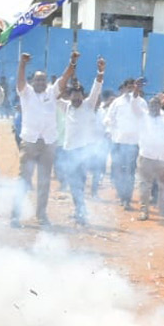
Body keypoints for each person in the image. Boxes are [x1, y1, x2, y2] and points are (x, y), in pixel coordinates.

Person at [11, 50, 77, 228]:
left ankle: (41, 215)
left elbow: (64, 79)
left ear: (46, 82)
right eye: (37, 79)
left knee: (44, 181)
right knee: (24, 179)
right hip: (30, 142)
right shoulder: (26, 93)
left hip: (48, 143)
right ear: (32, 81)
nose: (40, 82)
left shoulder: (52, 92)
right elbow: (20, 81)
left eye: (43, 79)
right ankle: (15, 215)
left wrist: (72, 63)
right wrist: (23, 64)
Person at [61, 57, 105, 225]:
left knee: (78, 183)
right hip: (68, 151)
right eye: (74, 97)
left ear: (83, 97)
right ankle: (80, 209)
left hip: (82, 152)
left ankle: (81, 210)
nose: (77, 100)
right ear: (70, 97)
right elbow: (55, 95)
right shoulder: (65, 106)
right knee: (73, 184)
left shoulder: (88, 104)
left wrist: (100, 71)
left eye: (79, 97)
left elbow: (96, 87)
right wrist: (70, 67)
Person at [105, 78, 144, 210]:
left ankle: (127, 199)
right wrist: (110, 129)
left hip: (133, 143)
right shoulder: (117, 102)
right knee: (118, 171)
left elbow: (144, 118)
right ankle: (121, 195)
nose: (130, 88)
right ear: (125, 87)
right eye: (128, 86)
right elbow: (108, 118)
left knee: (130, 172)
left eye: (132, 86)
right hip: (118, 141)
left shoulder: (141, 102)